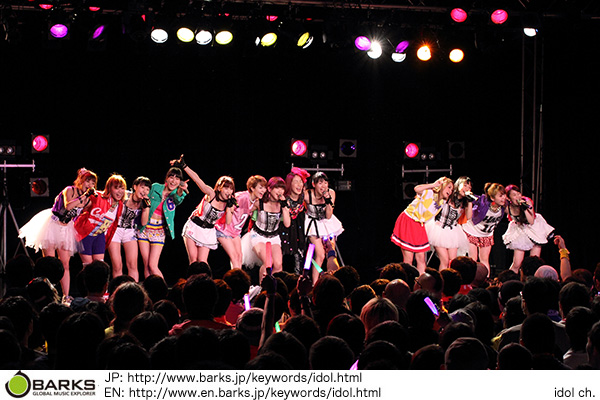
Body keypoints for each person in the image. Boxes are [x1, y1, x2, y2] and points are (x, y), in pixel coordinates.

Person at [19, 168, 97, 297]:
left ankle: (66, 296)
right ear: (80, 181)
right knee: (49, 263)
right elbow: (68, 206)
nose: (90, 185)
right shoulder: (70, 190)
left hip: (66, 229)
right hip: (52, 225)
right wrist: (84, 196)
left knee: (65, 264)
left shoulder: (88, 201)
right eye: (87, 181)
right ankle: (47, 294)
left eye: (93, 183)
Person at [391, 176, 453, 274]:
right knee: (408, 259)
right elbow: (416, 189)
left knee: (421, 258)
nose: (450, 191)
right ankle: (408, 281)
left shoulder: (442, 202)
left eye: (452, 189)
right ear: (442, 185)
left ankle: (422, 280)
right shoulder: (429, 192)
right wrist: (433, 185)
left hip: (419, 225)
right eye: (449, 187)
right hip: (409, 220)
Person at [179, 157, 235, 265]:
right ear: (219, 188)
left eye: (231, 189)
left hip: (208, 231)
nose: (229, 191)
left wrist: (229, 207)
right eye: (226, 188)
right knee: (193, 261)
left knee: (203, 262)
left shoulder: (229, 204)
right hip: (194, 226)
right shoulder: (211, 194)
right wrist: (184, 166)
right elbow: (197, 180)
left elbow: (228, 222)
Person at [138, 161, 188, 278]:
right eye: (171, 177)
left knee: (153, 265)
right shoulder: (155, 187)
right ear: (167, 178)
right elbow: (143, 199)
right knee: (146, 265)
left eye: (177, 178)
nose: (173, 181)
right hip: (144, 228)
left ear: (180, 182)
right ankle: (149, 289)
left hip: (159, 231)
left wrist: (181, 190)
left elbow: (178, 199)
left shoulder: (177, 195)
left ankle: (162, 287)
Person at [215, 175, 267, 269]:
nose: (263, 190)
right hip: (224, 230)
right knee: (234, 257)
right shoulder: (242, 197)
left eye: (264, 188)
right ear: (252, 188)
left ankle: (237, 276)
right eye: (260, 187)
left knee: (239, 257)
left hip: (236, 232)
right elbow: (228, 206)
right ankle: (236, 277)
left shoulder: (255, 201)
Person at [74, 173, 125, 269]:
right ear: (109, 188)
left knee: (99, 267)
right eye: (116, 188)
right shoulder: (98, 196)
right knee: (88, 267)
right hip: (85, 234)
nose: (120, 191)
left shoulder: (120, 204)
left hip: (99, 236)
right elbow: (80, 198)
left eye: (122, 188)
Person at [502, 184, 554, 274]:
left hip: (534, 229)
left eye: (518, 193)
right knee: (517, 263)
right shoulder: (507, 206)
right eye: (514, 195)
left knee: (534, 263)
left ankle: (532, 280)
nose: (518, 196)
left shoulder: (527, 201)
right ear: (509, 198)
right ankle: (510, 279)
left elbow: (531, 221)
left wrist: (525, 208)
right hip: (520, 229)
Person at [107, 176, 151, 281]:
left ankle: (133, 288)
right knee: (117, 265)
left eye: (147, 189)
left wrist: (146, 208)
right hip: (115, 229)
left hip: (130, 231)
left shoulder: (144, 203)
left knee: (132, 265)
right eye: (142, 187)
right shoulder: (125, 195)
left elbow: (144, 222)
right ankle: (118, 288)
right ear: (135, 187)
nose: (144, 191)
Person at [426, 176, 474, 271]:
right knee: (444, 260)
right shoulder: (448, 196)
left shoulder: (464, 202)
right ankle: (442, 279)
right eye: (465, 185)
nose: (467, 189)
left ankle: (451, 278)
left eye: (469, 188)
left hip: (453, 231)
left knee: (452, 261)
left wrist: (470, 202)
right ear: (458, 185)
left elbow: (469, 217)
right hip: (439, 230)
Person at [247, 177, 291, 279]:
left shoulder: (283, 205)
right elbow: (246, 211)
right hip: (258, 235)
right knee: (268, 262)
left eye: (282, 188)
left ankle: (272, 286)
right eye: (277, 188)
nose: (280, 191)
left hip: (274, 237)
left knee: (278, 264)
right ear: (270, 189)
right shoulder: (260, 202)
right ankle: (262, 286)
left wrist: (285, 207)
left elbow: (287, 224)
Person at [304, 172, 344, 282]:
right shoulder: (307, 194)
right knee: (320, 254)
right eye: (320, 183)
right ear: (313, 184)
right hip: (312, 224)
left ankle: (333, 281)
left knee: (331, 251)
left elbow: (328, 215)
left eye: (326, 183)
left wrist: (328, 201)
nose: (324, 186)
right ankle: (315, 283)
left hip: (326, 222)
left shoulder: (331, 192)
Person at [462, 183, 506, 277]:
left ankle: (486, 280)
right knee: (473, 259)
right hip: (472, 231)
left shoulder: (504, 205)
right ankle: (472, 280)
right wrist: (468, 195)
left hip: (486, 234)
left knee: (485, 259)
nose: (504, 198)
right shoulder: (483, 202)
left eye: (504, 195)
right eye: (500, 196)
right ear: (492, 198)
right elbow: (473, 198)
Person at [281, 167, 311, 274]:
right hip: (285, 231)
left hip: (299, 230)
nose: (299, 185)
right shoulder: (284, 199)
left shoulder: (303, 196)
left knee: (300, 257)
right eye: (296, 182)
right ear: (290, 183)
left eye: (301, 182)